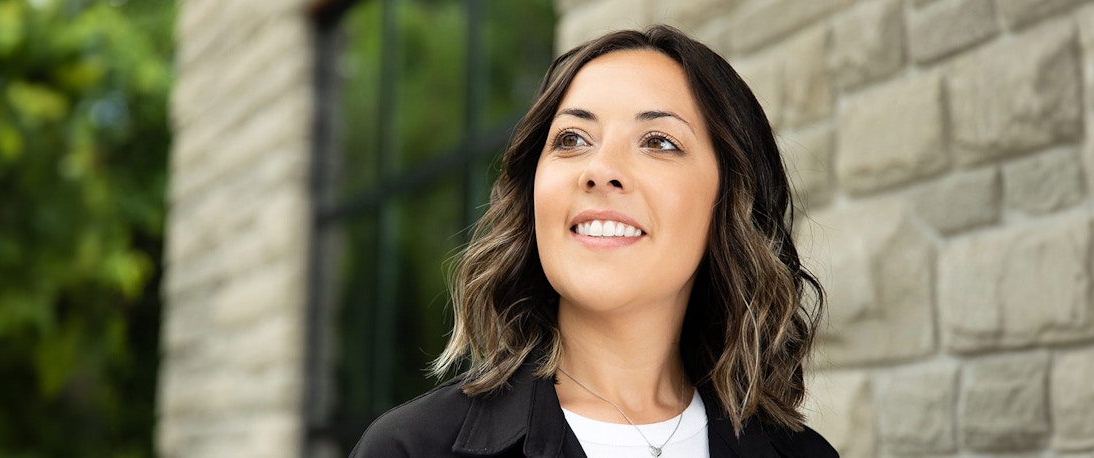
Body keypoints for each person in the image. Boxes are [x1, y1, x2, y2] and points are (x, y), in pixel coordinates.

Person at [350, 24, 835, 457]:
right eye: (572, 139)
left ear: (730, 200)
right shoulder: (412, 448)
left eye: (659, 142)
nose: (600, 170)